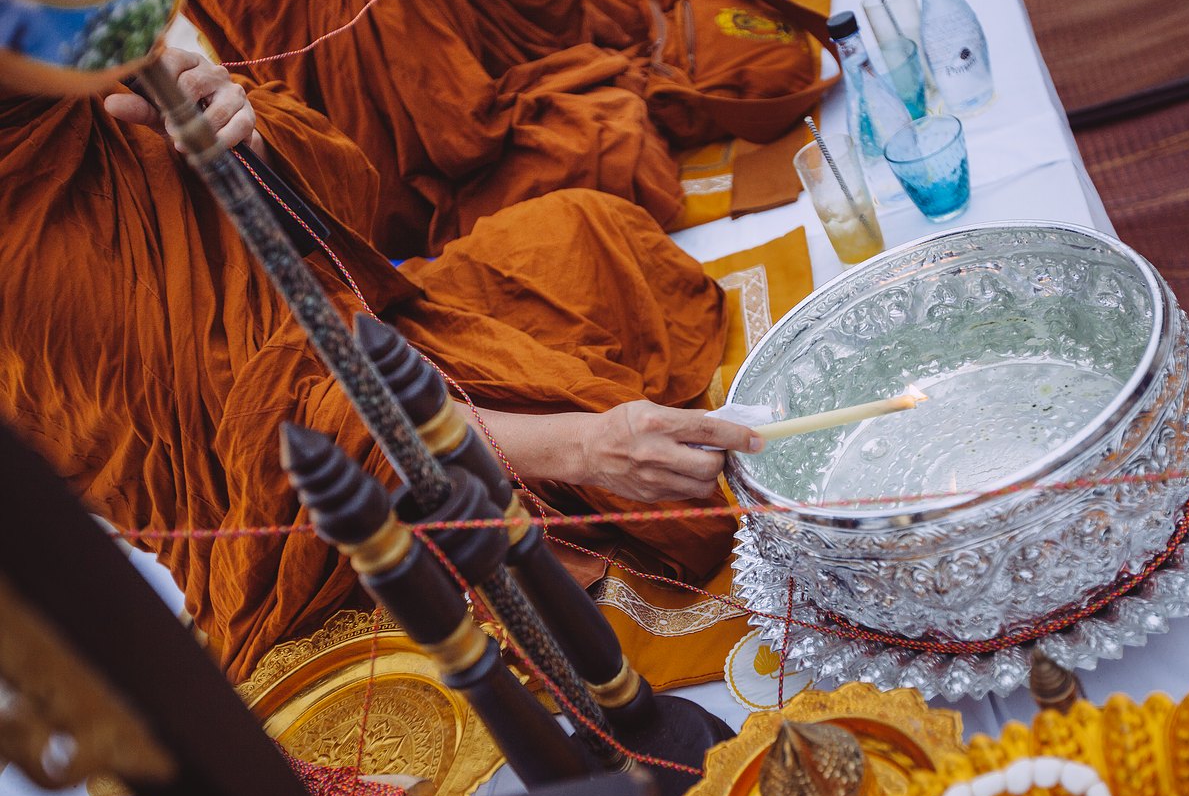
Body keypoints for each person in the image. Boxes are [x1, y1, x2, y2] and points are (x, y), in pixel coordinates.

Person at [0, 48, 759, 683]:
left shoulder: (98, 78)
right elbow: (294, 433)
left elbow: (348, 208)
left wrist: (249, 140)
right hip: (295, 510)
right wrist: (583, 447)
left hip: (371, 341)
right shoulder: (24, 270)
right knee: (592, 529)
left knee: (585, 228)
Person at [183, 0, 684, 259]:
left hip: (447, 103)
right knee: (616, 143)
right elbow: (462, 141)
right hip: (368, 172)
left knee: (616, 137)